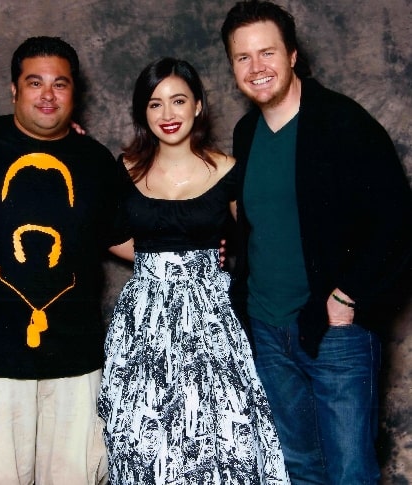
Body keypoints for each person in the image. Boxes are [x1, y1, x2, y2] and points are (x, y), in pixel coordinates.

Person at [220, 2, 412, 483]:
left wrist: (348, 297)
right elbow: (268, 219)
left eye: (267, 52)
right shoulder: (246, 133)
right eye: (243, 57)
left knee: (349, 472)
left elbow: (399, 221)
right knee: (300, 468)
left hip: (334, 331)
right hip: (267, 328)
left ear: (293, 55)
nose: (256, 67)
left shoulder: (343, 124)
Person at [97, 57, 290, 484]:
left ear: (198, 105)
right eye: (155, 104)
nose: (167, 115)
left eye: (178, 100)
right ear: (142, 113)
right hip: (143, 324)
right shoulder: (125, 168)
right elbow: (106, 233)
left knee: (223, 441)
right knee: (142, 444)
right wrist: (160, 262)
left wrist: (207, 262)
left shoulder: (228, 170)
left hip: (211, 319)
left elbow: (254, 241)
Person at [0, 36, 118, 484]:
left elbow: (124, 236)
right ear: (13, 89)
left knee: (77, 476)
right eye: (34, 82)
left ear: (74, 93)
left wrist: (194, 248)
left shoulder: (96, 161)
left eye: (59, 84)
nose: (47, 95)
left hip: (76, 361)